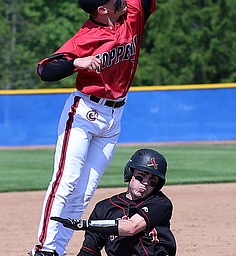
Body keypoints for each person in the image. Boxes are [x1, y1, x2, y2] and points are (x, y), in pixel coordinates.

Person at [29, 0, 158, 255]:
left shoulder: (132, 13)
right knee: (65, 181)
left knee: (85, 191)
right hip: (84, 112)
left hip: (115, 115)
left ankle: (58, 249)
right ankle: (44, 249)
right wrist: (77, 63)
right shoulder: (87, 36)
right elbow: (45, 69)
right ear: (102, 9)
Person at [51, 148, 177, 256]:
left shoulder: (160, 203)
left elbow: (131, 227)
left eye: (153, 179)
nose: (146, 182)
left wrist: (83, 225)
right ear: (130, 173)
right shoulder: (104, 208)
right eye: (141, 175)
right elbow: (89, 251)